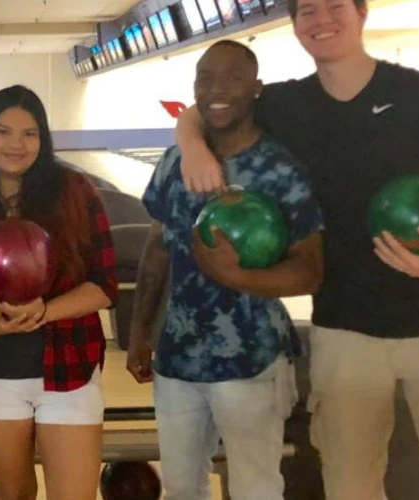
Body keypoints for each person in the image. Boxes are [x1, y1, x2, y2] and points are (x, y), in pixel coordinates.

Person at [174, 1, 419, 499]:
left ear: (361, 14)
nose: (321, 19)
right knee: (348, 482)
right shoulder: (287, 104)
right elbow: (203, 110)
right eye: (307, 10)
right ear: (295, 25)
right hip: (343, 327)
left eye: (335, 5)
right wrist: (192, 145)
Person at [132, 41, 324, 500]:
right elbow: (157, 249)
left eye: (233, 77)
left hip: (252, 359)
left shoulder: (280, 169)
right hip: (177, 359)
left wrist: (238, 277)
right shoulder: (175, 160)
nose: (217, 88)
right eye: (205, 77)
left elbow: (310, 269)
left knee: (256, 489)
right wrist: (139, 330)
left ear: (256, 89)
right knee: (180, 488)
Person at [0, 85, 118, 500]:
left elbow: (104, 284)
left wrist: (46, 310)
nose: (16, 144)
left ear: (43, 140)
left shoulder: (75, 193)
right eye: (3, 131)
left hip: (68, 368)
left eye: (29, 134)